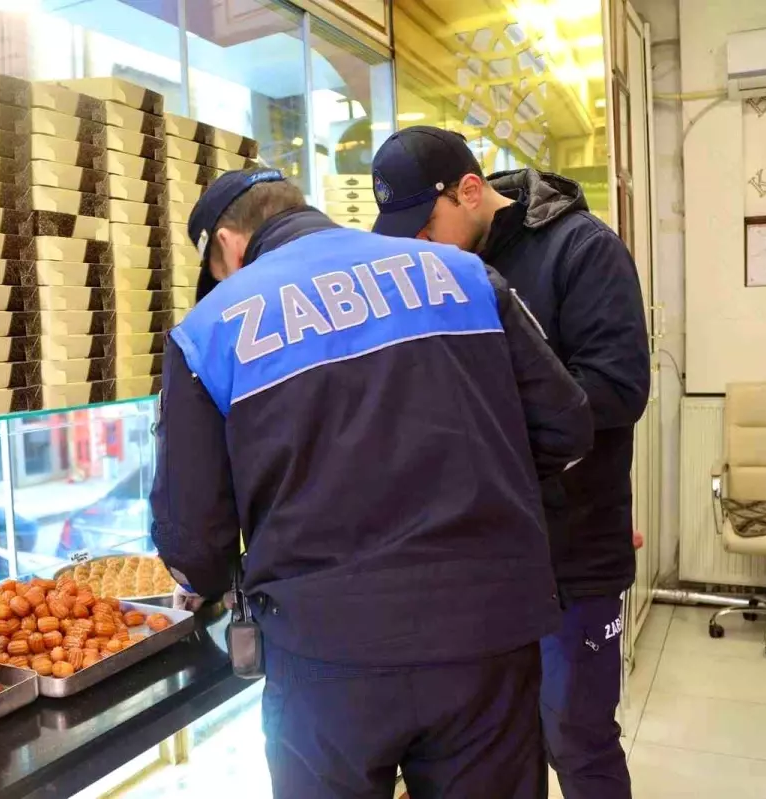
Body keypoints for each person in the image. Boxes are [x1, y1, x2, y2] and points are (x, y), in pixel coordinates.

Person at [149, 167, 594, 798]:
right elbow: (568, 426)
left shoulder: (208, 330)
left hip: (324, 652)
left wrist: (210, 579)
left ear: (227, 243)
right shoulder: (462, 274)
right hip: (486, 628)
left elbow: (195, 540)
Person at [370, 126, 652, 799]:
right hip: (483, 559)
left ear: (469, 191)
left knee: (577, 736)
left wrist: (481, 434)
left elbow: (618, 390)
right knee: (500, 744)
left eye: (426, 225)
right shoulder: (438, 270)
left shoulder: (582, 249)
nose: (421, 244)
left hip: (574, 550)